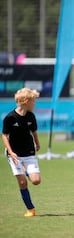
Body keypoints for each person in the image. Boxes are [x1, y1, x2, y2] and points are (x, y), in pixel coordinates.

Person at [2, 88, 41, 217]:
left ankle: (26, 171)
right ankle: (30, 209)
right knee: (23, 182)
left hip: (29, 152)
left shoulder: (31, 116)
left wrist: (37, 142)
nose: (34, 104)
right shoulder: (10, 117)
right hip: (15, 155)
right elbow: (4, 135)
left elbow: (34, 131)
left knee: (36, 181)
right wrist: (10, 151)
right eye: (33, 101)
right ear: (25, 101)